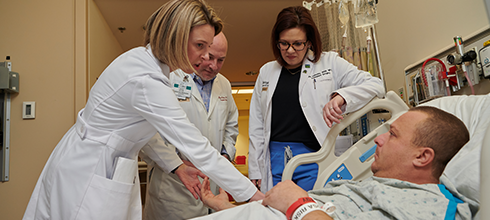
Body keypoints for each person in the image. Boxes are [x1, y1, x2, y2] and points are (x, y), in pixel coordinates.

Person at [22, 1, 263, 219]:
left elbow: (154, 133)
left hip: (107, 163)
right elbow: (197, 148)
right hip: (89, 168)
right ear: (175, 37)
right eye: (200, 45)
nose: (205, 56)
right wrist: (256, 197)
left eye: (208, 46)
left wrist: (178, 167)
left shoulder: (150, 65)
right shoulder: (146, 79)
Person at [195, 106, 473, 220]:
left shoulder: (427, 206)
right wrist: (225, 208)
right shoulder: (379, 189)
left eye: (393, 134)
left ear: (422, 156)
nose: (378, 139)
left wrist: (299, 204)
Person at [248, 6, 385, 193]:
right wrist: (255, 168)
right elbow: (256, 124)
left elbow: (376, 85)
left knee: (312, 206)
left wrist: (342, 97)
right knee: (277, 210)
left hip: (314, 157)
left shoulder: (330, 63)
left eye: (298, 43)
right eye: (284, 43)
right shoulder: (266, 71)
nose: (290, 50)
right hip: (274, 159)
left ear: (309, 42)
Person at [141, 32, 239, 220]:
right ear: (200, 51)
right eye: (210, 57)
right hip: (173, 186)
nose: (214, 66)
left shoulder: (224, 84)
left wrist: (226, 154)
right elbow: (148, 131)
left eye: (221, 60)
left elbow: (231, 125)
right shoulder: (168, 77)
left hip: (212, 184)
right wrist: (176, 162)